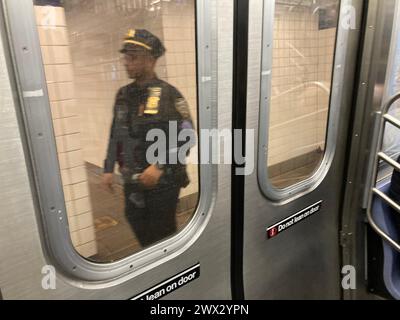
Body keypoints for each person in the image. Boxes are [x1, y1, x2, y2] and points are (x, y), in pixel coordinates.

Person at [103, 29, 194, 248]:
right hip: (132, 181)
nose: (127, 62)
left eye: (133, 57)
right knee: (136, 221)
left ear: (151, 60)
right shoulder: (123, 95)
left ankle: (171, 274)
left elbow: (187, 135)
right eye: (126, 57)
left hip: (163, 183)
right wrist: (107, 168)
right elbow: (116, 132)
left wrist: (159, 165)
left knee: (162, 235)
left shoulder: (169, 94)